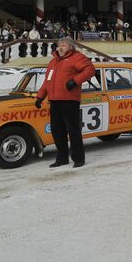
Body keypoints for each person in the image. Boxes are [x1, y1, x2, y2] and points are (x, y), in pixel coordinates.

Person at [35, 37, 95, 168]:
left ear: (71, 47)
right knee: (57, 131)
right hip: (54, 101)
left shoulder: (76, 57)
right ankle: (62, 158)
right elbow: (47, 81)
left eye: (64, 45)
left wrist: (75, 81)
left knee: (73, 130)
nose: (60, 47)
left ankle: (78, 158)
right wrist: (40, 97)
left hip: (69, 100)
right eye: (59, 45)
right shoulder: (53, 62)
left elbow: (90, 70)